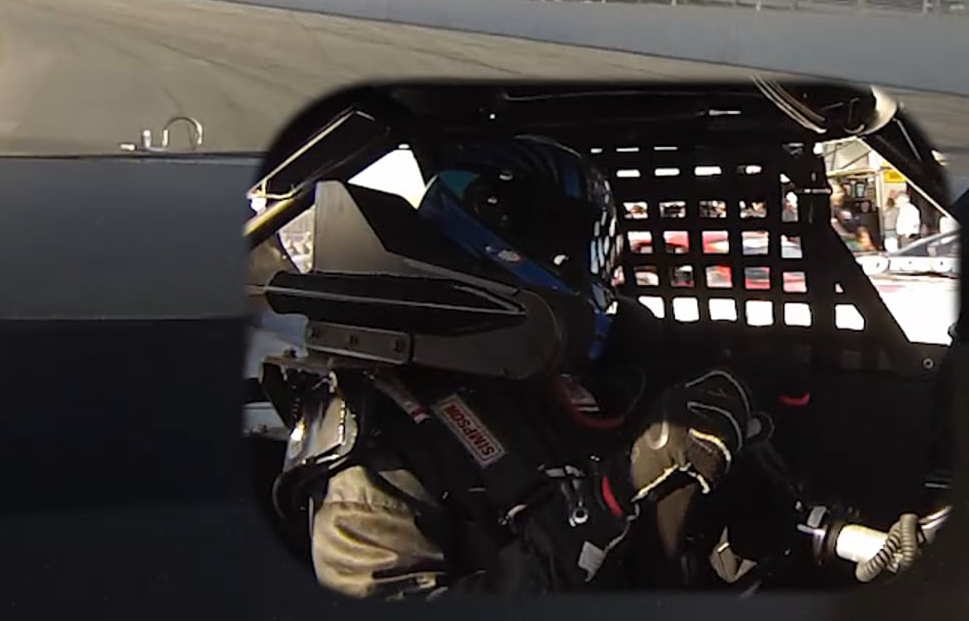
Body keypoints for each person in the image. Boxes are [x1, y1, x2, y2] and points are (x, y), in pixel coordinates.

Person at [276, 137, 774, 597]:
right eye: (569, 245)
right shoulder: (380, 440)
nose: (587, 272)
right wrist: (608, 499)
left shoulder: (550, 383)